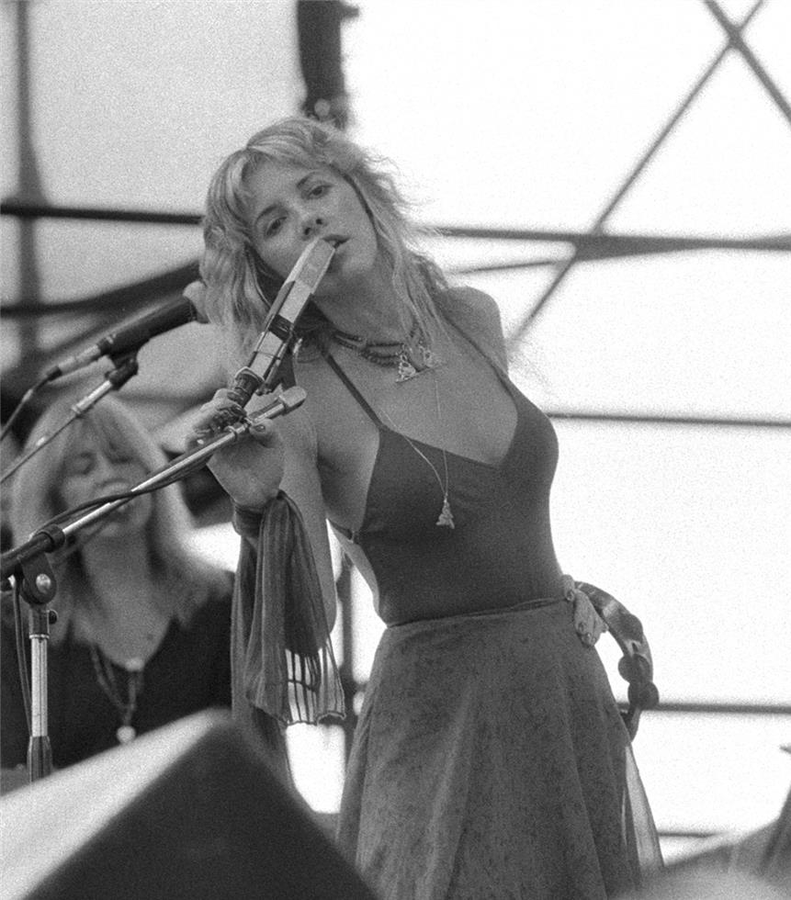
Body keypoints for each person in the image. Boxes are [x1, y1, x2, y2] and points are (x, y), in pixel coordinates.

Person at [193, 115, 663, 899]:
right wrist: (254, 514)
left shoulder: (470, 318)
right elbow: (300, 636)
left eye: (317, 189)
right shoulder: (296, 401)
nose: (308, 217)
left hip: (560, 681)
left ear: (362, 193)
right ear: (266, 268)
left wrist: (556, 594)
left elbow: (494, 515)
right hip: (441, 714)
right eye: (274, 222)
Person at [1, 392, 242, 774]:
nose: (109, 476)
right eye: (83, 469)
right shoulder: (18, 620)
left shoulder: (220, 599)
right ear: (52, 500)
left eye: (122, 458)